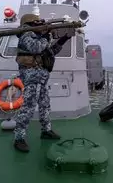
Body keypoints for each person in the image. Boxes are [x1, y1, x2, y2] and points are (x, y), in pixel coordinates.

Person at [13, 13, 72, 152]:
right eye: (37, 22)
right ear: (30, 23)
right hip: (32, 76)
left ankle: (46, 130)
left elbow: (49, 52)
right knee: (28, 106)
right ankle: (19, 138)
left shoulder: (39, 37)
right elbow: (36, 48)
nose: (40, 24)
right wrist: (46, 36)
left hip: (42, 77)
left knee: (45, 104)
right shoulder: (25, 36)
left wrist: (64, 39)